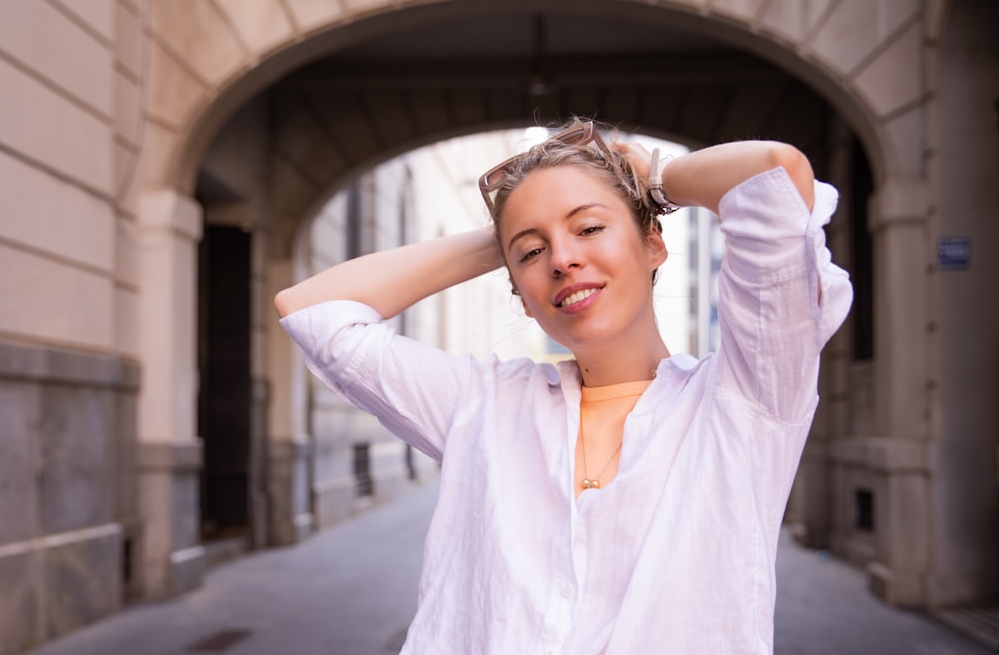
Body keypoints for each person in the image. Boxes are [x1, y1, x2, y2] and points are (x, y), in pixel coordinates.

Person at [274, 119, 852, 654]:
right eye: (532, 253)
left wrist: (651, 181)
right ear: (521, 297)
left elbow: (774, 175)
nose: (563, 260)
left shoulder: (745, 398)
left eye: (590, 227)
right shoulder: (484, 406)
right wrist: (504, 235)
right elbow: (312, 311)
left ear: (654, 242)